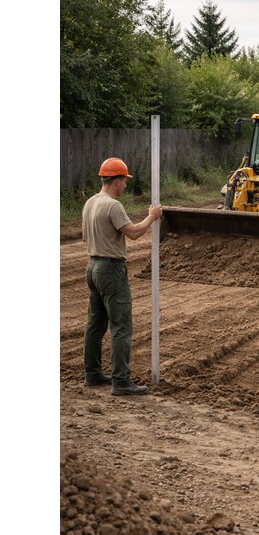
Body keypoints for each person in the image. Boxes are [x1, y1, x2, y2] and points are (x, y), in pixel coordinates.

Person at [83, 157, 163, 396]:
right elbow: (134, 233)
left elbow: (85, 236)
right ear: (116, 180)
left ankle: (92, 373)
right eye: (124, 181)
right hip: (110, 269)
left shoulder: (90, 202)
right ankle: (121, 381)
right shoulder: (112, 206)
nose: (126, 186)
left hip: (93, 265)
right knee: (121, 326)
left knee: (95, 324)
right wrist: (152, 216)